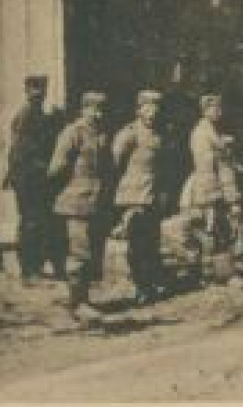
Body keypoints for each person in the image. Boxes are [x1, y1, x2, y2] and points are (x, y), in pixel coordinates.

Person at [47, 90, 114, 319]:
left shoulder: (102, 134)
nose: (99, 114)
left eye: (102, 110)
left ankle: (84, 300)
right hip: (75, 202)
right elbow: (55, 168)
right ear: (83, 109)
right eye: (94, 109)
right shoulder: (72, 133)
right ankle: (77, 304)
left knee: (93, 253)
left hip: (96, 202)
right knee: (79, 253)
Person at [2, 73, 63, 281]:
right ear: (27, 92)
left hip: (37, 178)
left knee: (39, 221)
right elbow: (20, 151)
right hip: (27, 178)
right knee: (31, 222)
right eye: (34, 90)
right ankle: (28, 270)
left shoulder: (40, 114)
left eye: (41, 90)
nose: (38, 94)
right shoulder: (25, 115)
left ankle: (35, 266)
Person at [111, 89, 169, 305]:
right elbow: (115, 161)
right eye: (148, 107)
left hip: (151, 194)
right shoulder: (129, 133)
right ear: (139, 109)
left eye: (156, 107)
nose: (152, 112)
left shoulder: (158, 134)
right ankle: (139, 286)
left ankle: (150, 284)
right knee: (137, 244)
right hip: (133, 197)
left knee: (151, 243)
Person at [186, 93, 243, 280]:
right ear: (205, 111)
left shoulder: (215, 131)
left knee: (222, 229)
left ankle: (223, 272)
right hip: (208, 187)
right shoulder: (201, 133)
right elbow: (206, 166)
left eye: (220, 108)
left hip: (221, 186)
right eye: (214, 108)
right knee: (211, 229)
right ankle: (209, 274)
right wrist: (215, 194)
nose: (219, 112)